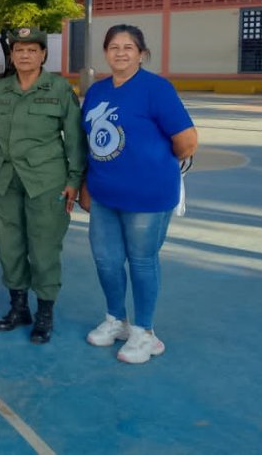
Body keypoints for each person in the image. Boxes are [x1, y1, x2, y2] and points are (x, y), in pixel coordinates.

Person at [80, 24, 197, 364]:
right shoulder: (97, 91)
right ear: (105, 53)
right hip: (104, 194)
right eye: (114, 46)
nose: (120, 52)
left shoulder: (155, 89)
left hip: (148, 195)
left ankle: (145, 331)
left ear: (141, 53)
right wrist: (88, 184)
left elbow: (187, 141)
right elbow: (89, 143)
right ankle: (117, 320)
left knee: (142, 261)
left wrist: (151, 165)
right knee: (106, 260)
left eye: (128, 47)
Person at [0, 28, 86, 344]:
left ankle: (45, 313)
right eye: (19, 50)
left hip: (45, 182)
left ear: (42, 55)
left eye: (31, 50)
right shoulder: (1, 89)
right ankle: (18, 307)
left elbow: (75, 139)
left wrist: (74, 180)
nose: (24, 55)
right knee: (9, 246)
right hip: (3, 180)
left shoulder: (59, 89)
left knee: (44, 248)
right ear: (12, 55)